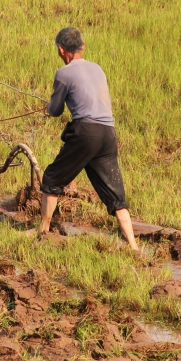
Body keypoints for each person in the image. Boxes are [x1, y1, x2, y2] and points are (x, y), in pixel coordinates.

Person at [38, 26, 139, 252]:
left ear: (61, 50)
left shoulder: (63, 73)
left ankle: (42, 231)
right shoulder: (98, 69)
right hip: (108, 134)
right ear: (82, 46)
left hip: (86, 132)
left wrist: (48, 106)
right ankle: (133, 245)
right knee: (115, 194)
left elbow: (54, 110)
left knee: (52, 177)